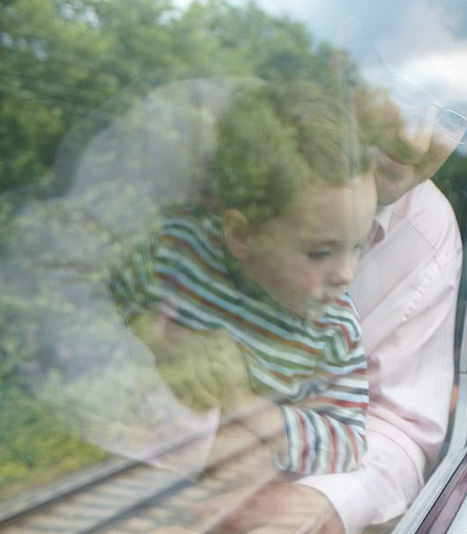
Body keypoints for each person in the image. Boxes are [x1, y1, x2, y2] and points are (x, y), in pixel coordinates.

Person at [200, 0, 467, 534]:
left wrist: (330, 502)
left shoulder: (427, 231)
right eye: (406, 90)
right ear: (339, 58)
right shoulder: (218, 143)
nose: (418, 141)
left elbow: (402, 422)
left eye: (453, 117)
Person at [109, 80, 376, 476]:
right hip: (108, 461)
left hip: (216, 502)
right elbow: (105, 310)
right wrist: (157, 337)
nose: (346, 275)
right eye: (321, 252)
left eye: (359, 246)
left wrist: (247, 406)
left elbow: (348, 441)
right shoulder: (179, 249)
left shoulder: (334, 329)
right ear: (241, 235)